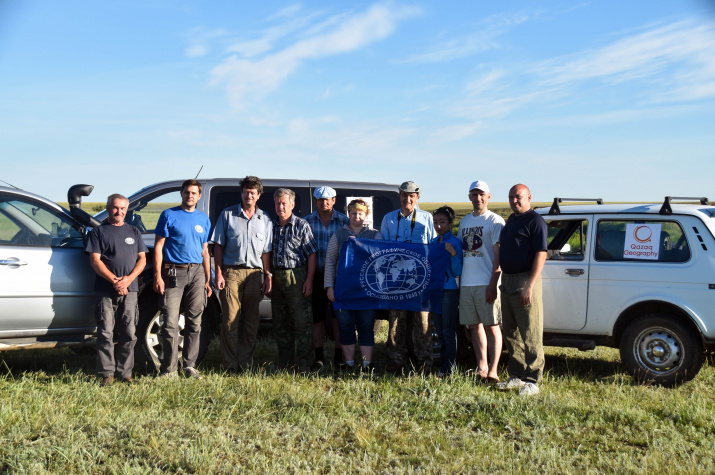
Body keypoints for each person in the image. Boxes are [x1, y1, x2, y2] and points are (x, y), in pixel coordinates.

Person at [211, 176, 273, 373]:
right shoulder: (227, 215)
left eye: (253, 192)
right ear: (242, 193)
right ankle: (229, 364)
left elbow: (266, 252)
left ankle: (246, 363)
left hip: (255, 275)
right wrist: (218, 273)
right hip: (231, 273)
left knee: (251, 322)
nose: (249, 195)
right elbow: (218, 246)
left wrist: (268, 275)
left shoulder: (265, 220)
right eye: (246, 191)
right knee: (230, 320)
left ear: (258, 196)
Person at [86, 194, 148, 386]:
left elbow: (142, 259)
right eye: (114, 208)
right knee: (105, 332)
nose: (118, 212)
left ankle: (125, 373)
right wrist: (115, 281)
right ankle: (107, 374)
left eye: (122, 208)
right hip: (105, 290)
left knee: (129, 333)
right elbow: (95, 261)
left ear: (126, 210)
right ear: (108, 208)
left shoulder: (134, 232)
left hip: (130, 290)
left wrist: (128, 280)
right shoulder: (98, 232)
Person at [153, 179, 212, 379]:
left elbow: (205, 250)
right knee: (169, 322)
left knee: (194, 321)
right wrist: (157, 275)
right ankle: (168, 370)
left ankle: (189, 366)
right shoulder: (168, 215)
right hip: (173, 272)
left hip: (197, 273)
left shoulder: (203, 219)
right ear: (181, 193)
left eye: (194, 193)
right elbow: (159, 246)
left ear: (199, 196)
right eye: (187, 192)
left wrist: (208, 278)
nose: (190, 196)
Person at [380, 180, 437, 374]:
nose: (408, 199)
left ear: (417, 197)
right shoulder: (388, 219)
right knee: (396, 320)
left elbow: (434, 246)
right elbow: (381, 248)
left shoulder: (426, 218)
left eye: (412, 196)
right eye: (404, 195)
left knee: (422, 321)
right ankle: (397, 359)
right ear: (399, 196)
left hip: (420, 278)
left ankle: (424, 361)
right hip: (396, 279)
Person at [496, 184, 548, 396]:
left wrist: (530, 285)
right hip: (507, 281)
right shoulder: (512, 220)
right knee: (510, 331)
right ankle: (516, 375)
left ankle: (532, 379)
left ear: (529, 197)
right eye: (511, 197)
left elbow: (541, 253)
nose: (514, 201)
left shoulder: (535, 221)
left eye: (518, 197)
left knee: (530, 331)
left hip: (525, 280)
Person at [324, 199, 382, 372]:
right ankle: (348, 363)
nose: (356, 216)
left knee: (366, 326)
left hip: (367, 290)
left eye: (360, 213)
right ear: (348, 214)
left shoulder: (374, 235)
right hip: (343, 289)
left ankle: (366, 364)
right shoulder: (339, 235)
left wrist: (360, 245)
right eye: (353, 213)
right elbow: (330, 261)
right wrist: (329, 286)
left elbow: (381, 257)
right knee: (345, 326)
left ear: (366, 215)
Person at [457, 180, 505, 383]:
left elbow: (498, 257)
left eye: (481, 195)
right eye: (474, 195)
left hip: (487, 281)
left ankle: (494, 370)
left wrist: (493, 283)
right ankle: (481, 366)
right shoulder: (465, 222)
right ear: (469, 197)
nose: (478, 198)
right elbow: (461, 250)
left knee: (492, 326)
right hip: (467, 282)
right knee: (474, 326)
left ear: (489, 197)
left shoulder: (495, 222)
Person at [271, 188, 318, 372]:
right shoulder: (270, 225)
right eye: (278, 203)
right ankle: (284, 360)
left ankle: (304, 362)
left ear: (292, 204)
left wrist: (309, 280)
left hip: (296, 276)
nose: (281, 207)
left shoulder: (301, 225)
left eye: (284, 203)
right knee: (280, 323)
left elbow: (312, 254)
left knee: (301, 322)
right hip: (276, 276)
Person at [304, 186, 349, 369]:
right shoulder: (306, 222)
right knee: (317, 319)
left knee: (339, 319)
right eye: (320, 199)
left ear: (334, 200)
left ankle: (339, 357)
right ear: (315, 201)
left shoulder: (345, 222)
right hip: (315, 275)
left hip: (339, 277)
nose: (324, 202)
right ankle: (319, 357)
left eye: (327, 199)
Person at [430, 206, 462, 378]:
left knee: (448, 332)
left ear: (450, 223)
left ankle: (449, 368)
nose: (439, 226)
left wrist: (453, 254)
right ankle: (442, 366)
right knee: (439, 332)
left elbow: (457, 271)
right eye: (436, 222)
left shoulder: (455, 242)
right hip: (435, 291)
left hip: (449, 291)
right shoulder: (433, 243)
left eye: (442, 222)